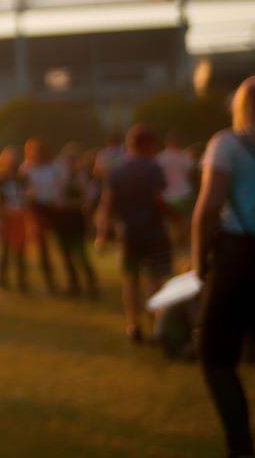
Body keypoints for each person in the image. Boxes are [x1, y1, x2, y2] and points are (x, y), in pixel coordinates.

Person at [190, 76, 255, 458]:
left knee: (215, 354)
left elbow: (208, 209)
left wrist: (197, 262)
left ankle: (241, 457)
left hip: (238, 258)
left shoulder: (228, 143)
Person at [96, 125, 171, 343]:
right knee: (155, 279)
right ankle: (157, 325)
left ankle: (133, 324)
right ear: (147, 145)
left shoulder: (117, 171)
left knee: (131, 280)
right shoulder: (153, 168)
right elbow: (158, 199)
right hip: (154, 231)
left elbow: (107, 204)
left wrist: (102, 232)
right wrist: (175, 214)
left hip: (128, 233)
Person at [49, 144, 98, 298]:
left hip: (76, 221)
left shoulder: (82, 177)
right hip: (62, 221)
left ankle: (91, 285)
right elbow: (57, 200)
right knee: (65, 255)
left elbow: (87, 200)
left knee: (81, 254)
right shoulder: (59, 176)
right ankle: (73, 284)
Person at [21, 137, 63, 295]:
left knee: (59, 244)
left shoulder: (53, 168)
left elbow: (58, 186)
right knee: (42, 247)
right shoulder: (26, 169)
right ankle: (49, 282)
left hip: (53, 207)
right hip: (36, 208)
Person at [0, 147, 29, 294]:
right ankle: (2, 283)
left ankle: (22, 283)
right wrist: (2, 212)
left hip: (20, 218)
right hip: (5, 218)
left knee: (20, 253)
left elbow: (29, 195)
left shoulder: (22, 178)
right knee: (4, 252)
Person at [157, 132, 195, 265]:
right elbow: (190, 173)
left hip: (167, 197)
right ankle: (187, 259)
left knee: (169, 228)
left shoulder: (160, 158)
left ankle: (171, 256)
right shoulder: (184, 156)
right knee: (185, 227)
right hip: (183, 195)